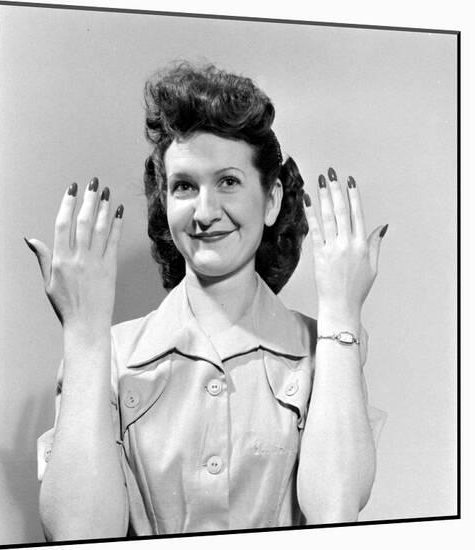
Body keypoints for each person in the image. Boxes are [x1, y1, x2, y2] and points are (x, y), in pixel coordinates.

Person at [26, 62, 387, 541]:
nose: (205, 212)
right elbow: (77, 535)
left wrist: (343, 312)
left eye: (229, 182)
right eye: (184, 186)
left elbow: (335, 516)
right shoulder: (108, 353)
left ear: (273, 198)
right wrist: (84, 331)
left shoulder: (325, 348)